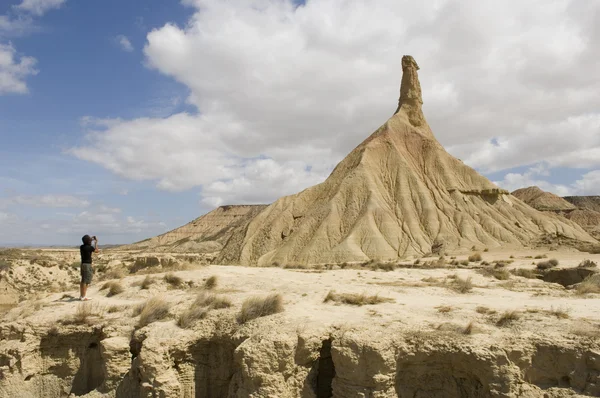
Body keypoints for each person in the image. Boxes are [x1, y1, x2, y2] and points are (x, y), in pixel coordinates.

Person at [80, 234, 99, 301]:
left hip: (82, 264)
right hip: (87, 265)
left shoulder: (82, 247)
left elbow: (86, 241)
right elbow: (97, 251)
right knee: (86, 281)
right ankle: (83, 296)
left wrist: (90, 238)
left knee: (83, 280)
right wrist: (96, 242)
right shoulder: (89, 247)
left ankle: (82, 295)